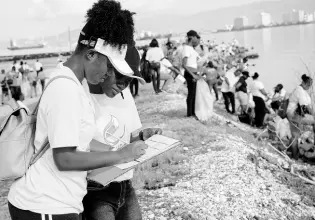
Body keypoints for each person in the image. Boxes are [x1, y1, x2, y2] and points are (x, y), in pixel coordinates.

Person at [7, 1, 148, 220]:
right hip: (45, 204)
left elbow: (80, 143)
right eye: (110, 66)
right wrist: (120, 155)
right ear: (91, 54)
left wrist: (126, 147)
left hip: (59, 202)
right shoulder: (66, 89)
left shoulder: (72, 85)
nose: (109, 74)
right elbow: (64, 159)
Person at [83, 40, 160, 220]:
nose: (123, 86)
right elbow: (78, 144)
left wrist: (143, 136)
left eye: (128, 81)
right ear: (106, 67)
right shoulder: (81, 95)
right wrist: (119, 153)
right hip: (95, 188)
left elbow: (132, 137)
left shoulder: (125, 96)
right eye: (120, 78)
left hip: (125, 184)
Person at [287, 74, 314, 159]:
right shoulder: (300, 91)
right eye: (308, 84)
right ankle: (295, 155)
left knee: (295, 135)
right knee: (313, 122)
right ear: (303, 82)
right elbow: (305, 106)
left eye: (310, 85)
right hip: (294, 114)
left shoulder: (302, 90)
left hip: (292, 114)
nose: (309, 87)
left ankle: (294, 155)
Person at [182, 30, 202, 117]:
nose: (197, 39)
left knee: (194, 94)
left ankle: (193, 112)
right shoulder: (186, 48)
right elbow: (184, 64)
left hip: (194, 73)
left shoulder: (191, 48)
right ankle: (189, 114)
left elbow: (194, 61)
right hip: (190, 74)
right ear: (192, 37)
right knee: (191, 94)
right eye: (196, 37)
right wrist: (193, 75)